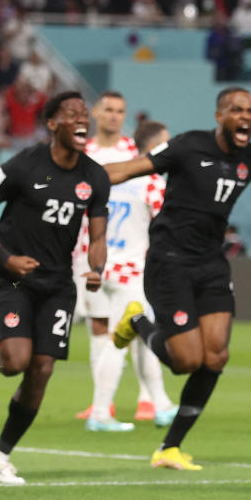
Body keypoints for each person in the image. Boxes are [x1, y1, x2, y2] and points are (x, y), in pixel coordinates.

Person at [104, 87, 251, 471]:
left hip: (211, 264)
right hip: (169, 261)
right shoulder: (188, 146)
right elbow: (129, 168)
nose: (246, 116)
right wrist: (77, 178)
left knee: (216, 355)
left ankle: (169, 448)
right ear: (220, 115)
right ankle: (136, 320)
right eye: (237, 110)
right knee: (186, 361)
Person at [0, 91, 110, 484]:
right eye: (71, 113)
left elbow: (96, 236)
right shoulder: (24, 166)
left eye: (84, 113)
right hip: (12, 276)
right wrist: (2, 255)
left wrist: (97, 267)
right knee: (14, 363)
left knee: (41, 369)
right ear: (53, 124)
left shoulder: (95, 176)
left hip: (58, 284)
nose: (82, 119)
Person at [79, 118, 178, 432]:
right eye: (167, 143)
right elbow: (169, 229)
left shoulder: (114, 176)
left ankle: (161, 404)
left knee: (140, 335)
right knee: (118, 340)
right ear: (155, 147)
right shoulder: (152, 184)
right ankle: (99, 412)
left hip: (103, 265)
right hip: (132, 270)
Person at [71, 91, 155, 427]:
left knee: (133, 322)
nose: (113, 116)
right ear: (95, 112)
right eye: (108, 109)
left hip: (131, 255)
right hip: (88, 253)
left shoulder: (133, 153)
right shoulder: (83, 153)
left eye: (120, 111)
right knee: (98, 326)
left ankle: (147, 399)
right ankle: (101, 402)